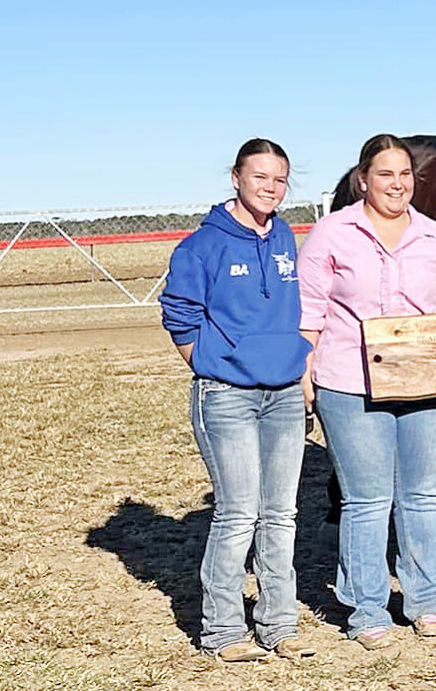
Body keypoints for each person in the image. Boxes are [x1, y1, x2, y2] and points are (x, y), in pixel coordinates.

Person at [296, 134, 436, 650]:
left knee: (419, 496)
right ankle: (367, 609)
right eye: (385, 175)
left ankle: (428, 602)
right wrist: (305, 376)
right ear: (363, 180)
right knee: (367, 500)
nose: (396, 184)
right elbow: (310, 311)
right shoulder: (332, 233)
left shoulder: (434, 237)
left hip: (423, 384)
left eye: (404, 175)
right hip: (349, 383)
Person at [159, 138, 317, 661]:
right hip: (226, 397)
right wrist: (210, 363)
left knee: (281, 515)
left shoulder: (285, 236)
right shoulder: (203, 246)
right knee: (238, 513)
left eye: (279, 180)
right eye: (260, 178)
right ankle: (223, 630)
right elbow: (179, 314)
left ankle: (279, 624)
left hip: (283, 395)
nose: (270, 189)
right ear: (235, 177)